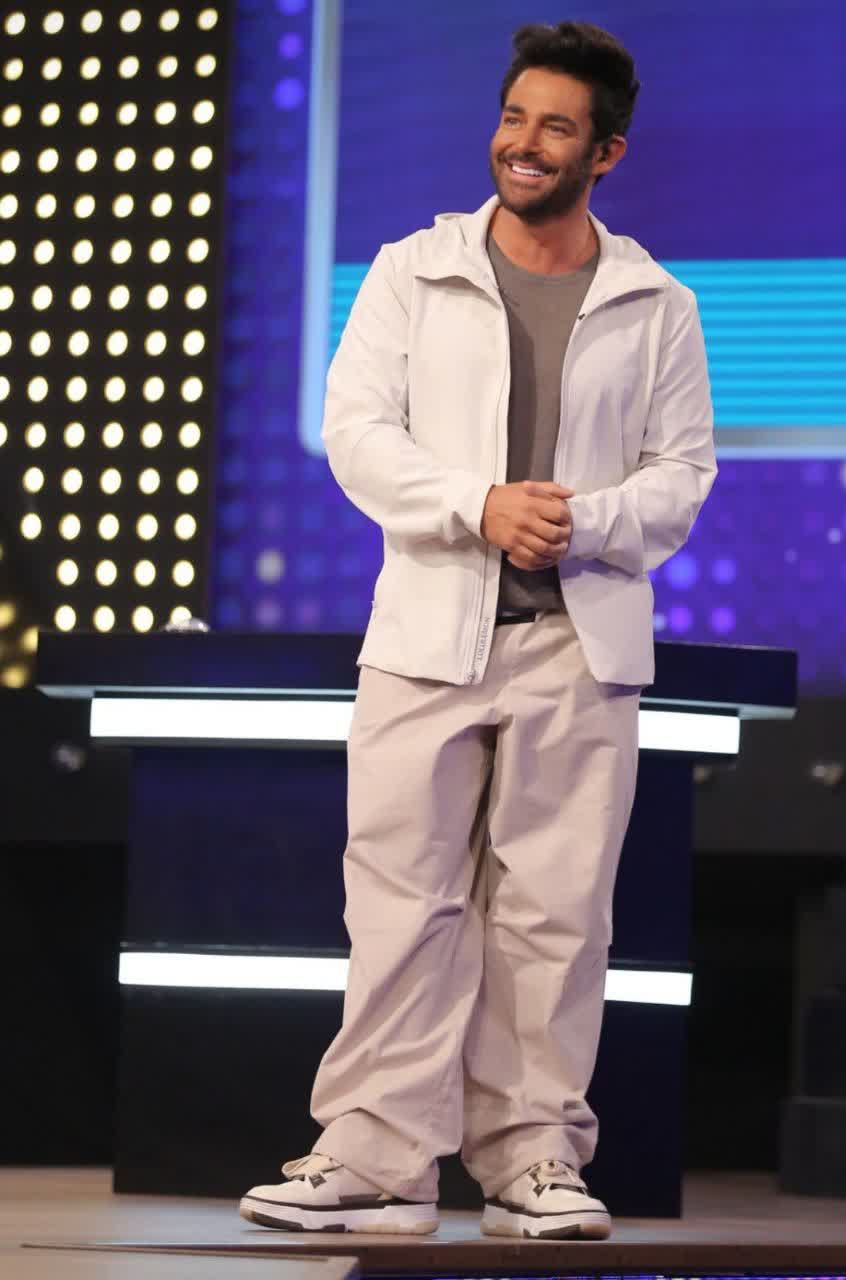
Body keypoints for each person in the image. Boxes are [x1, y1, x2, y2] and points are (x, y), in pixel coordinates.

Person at [240, 19, 716, 1240]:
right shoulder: (412, 270)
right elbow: (356, 432)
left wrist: (582, 521)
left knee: (556, 914)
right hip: (426, 638)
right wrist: (478, 505)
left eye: (555, 126)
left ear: (603, 152)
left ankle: (533, 1158)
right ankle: (374, 1156)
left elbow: (680, 477)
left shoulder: (655, 303)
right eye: (513, 117)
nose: (523, 143)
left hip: (578, 647)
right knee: (398, 903)